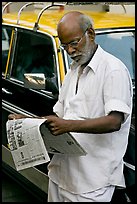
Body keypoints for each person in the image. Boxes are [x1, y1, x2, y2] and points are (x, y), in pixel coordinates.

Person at [8, 11, 133, 202]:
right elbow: (60, 118)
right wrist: (27, 122)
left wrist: (68, 126)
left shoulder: (113, 70)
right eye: (65, 46)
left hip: (91, 183)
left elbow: (114, 121)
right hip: (61, 174)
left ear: (90, 34)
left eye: (74, 43)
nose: (70, 51)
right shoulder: (74, 70)